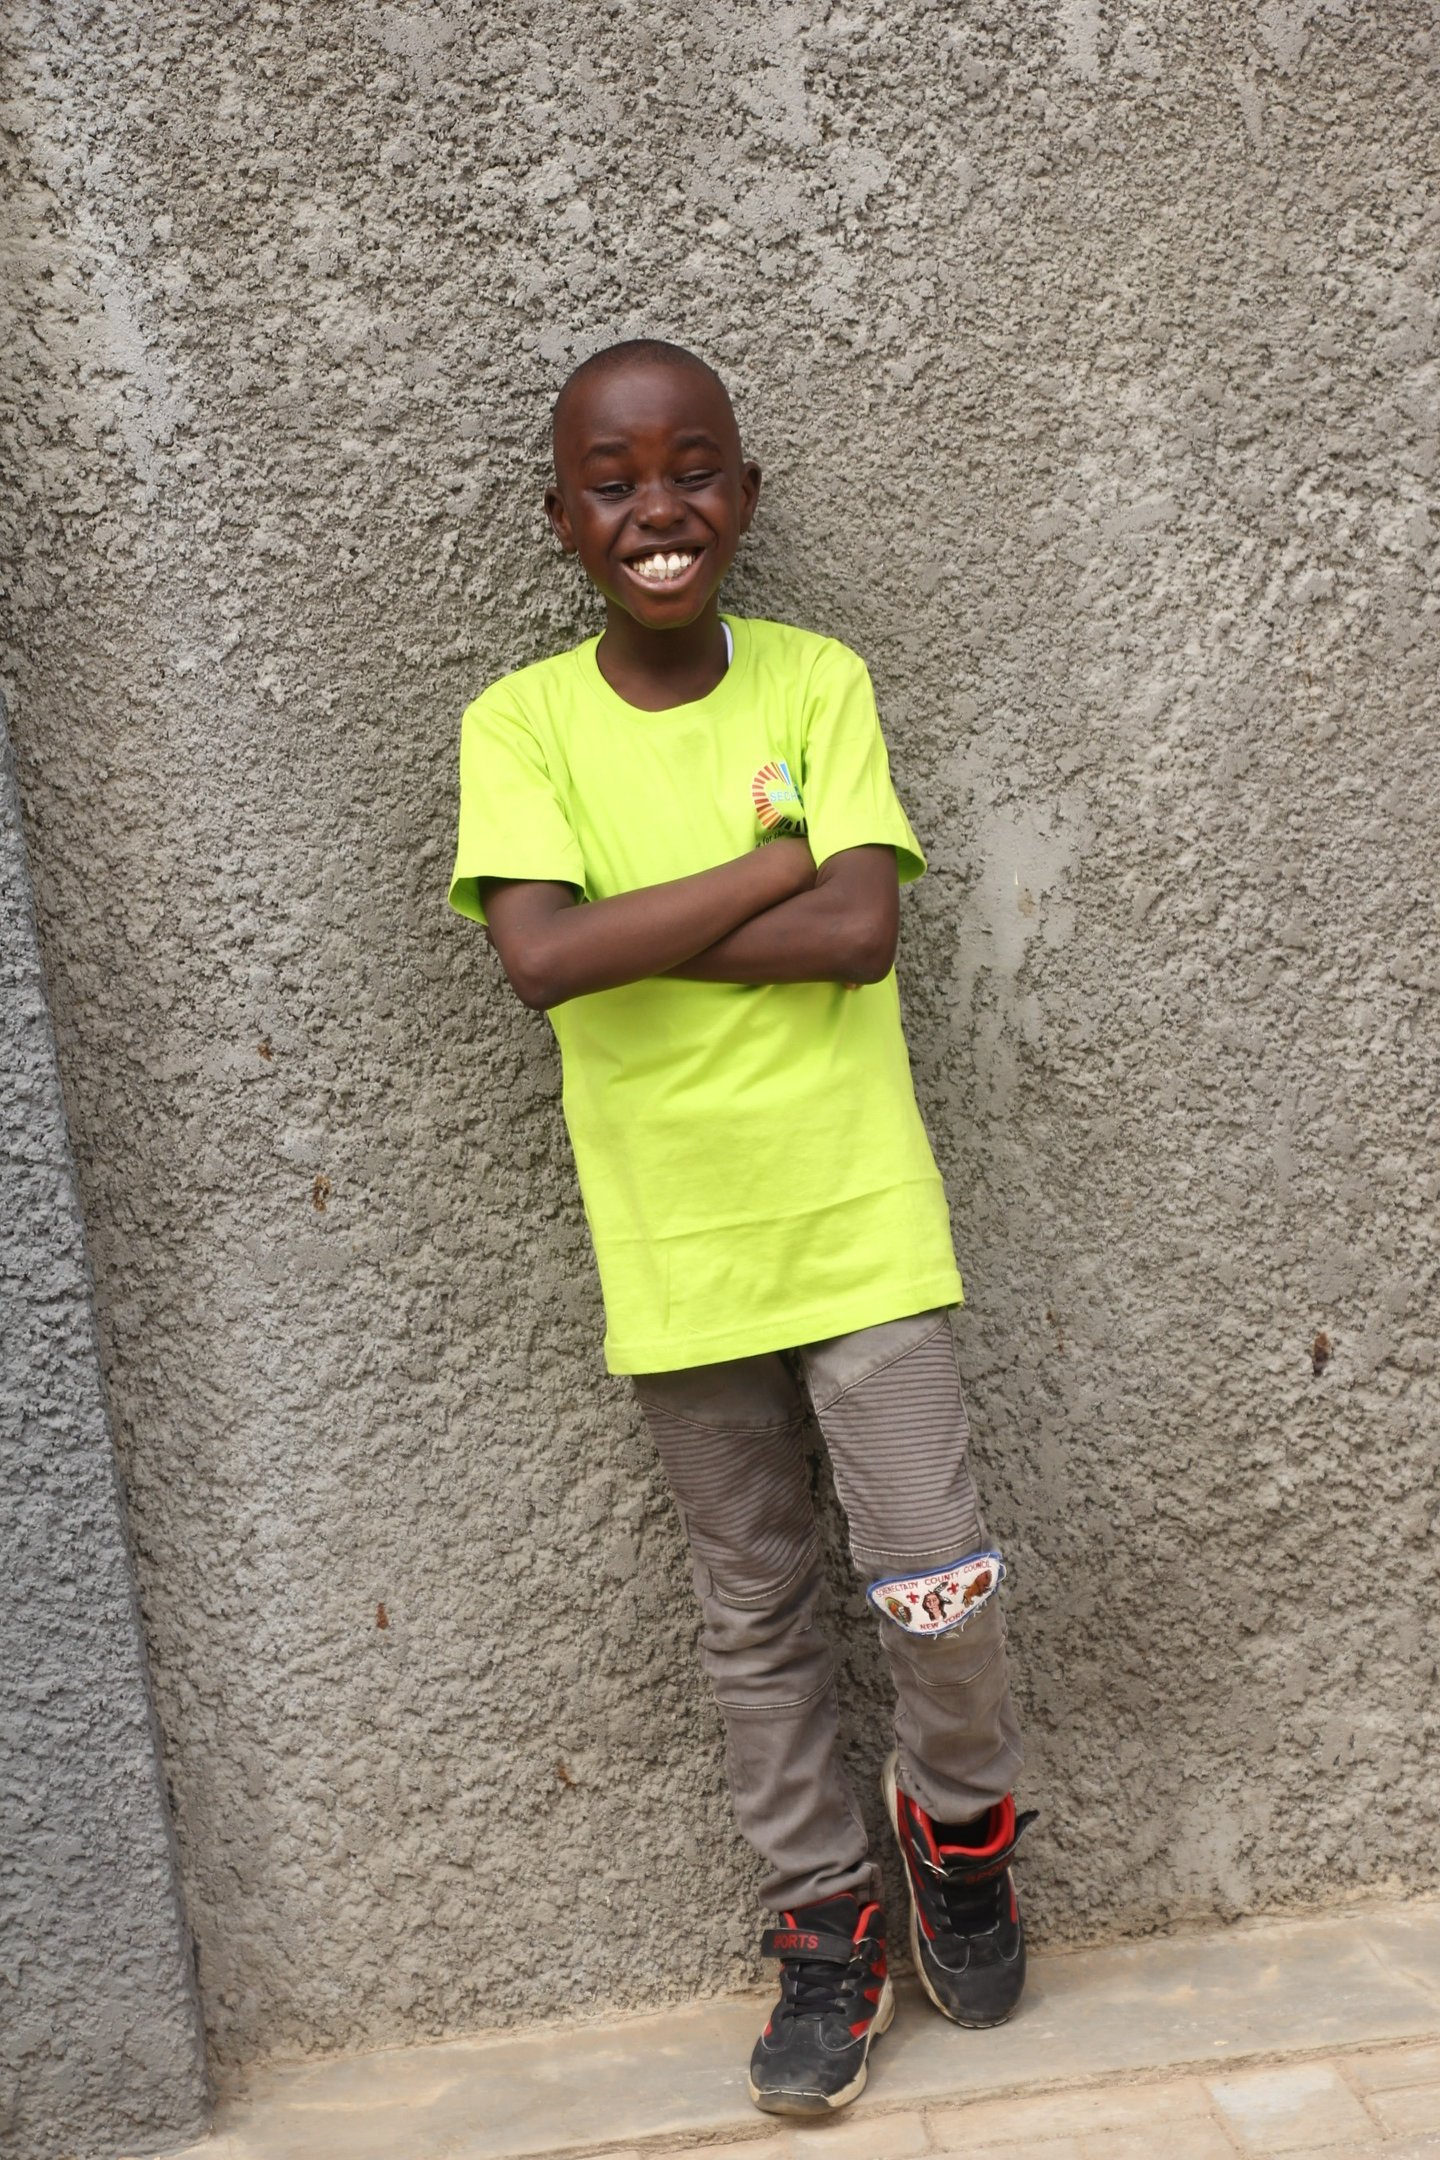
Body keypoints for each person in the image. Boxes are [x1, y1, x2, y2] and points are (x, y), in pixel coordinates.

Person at [448, 338, 1035, 2119]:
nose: (659, 509)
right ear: (562, 521)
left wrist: (643, 919)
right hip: (679, 1240)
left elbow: (860, 933)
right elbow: (541, 960)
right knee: (756, 1610)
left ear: (747, 494)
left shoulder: (815, 682)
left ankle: (958, 1831)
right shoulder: (522, 725)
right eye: (614, 483)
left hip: (858, 1218)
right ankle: (823, 1924)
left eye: (692, 468)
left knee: (936, 1577)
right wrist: (775, 863)